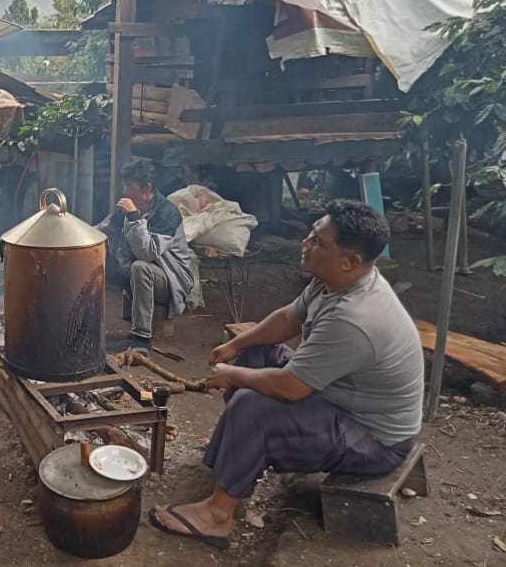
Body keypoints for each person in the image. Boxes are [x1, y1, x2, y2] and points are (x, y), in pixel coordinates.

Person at [149, 200, 423, 551]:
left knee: (254, 405)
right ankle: (236, 459)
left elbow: (290, 388)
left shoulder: (355, 318)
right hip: (337, 399)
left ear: (350, 260)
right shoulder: (334, 282)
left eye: (318, 242)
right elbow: (289, 319)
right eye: (311, 234)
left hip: (373, 439)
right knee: (254, 354)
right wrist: (238, 346)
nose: (305, 244)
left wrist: (232, 375)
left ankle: (218, 516)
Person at [96, 157, 194, 351]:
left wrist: (134, 217)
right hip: (136, 272)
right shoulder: (129, 206)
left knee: (140, 267)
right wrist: (74, 235)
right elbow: (102, 230)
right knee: (97, 260)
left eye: (129, 186)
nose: (125, 191)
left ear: (146, 187)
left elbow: (147, 253)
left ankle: (142, 339)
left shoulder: (167, 214)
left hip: (170, 281)